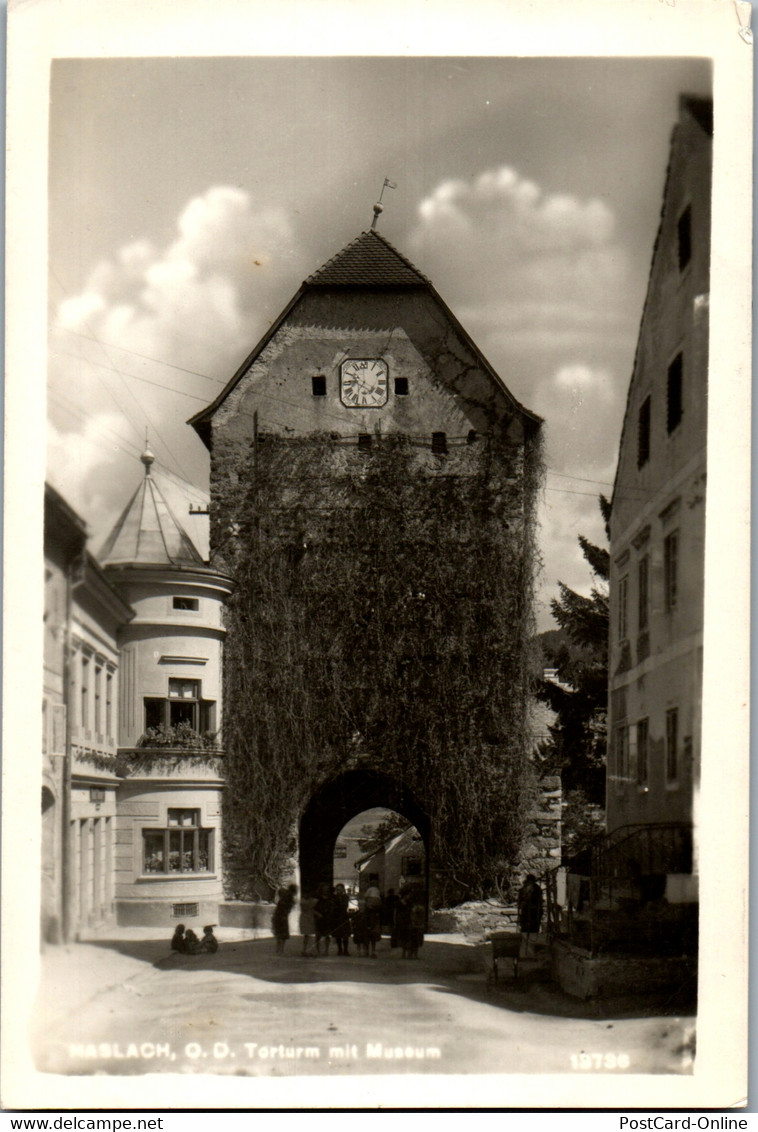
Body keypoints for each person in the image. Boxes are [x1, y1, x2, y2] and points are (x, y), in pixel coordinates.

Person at [517, 874, 543, 957]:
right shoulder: (524, 889)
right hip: (527, 913)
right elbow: (520, 902)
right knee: (526, 931)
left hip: (533, 913)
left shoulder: (537, 889)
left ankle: (529, 952)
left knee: (532, 931)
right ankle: (525, 952)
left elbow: (539, 902)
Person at [272, 884, 298, 955]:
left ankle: (278, 949)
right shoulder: (289, 899)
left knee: (279, 933)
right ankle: (281, 949)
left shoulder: (284, 899)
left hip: (279, 916)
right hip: (282, 917)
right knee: (282, 934)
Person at [331, 883, 351, 955]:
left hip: (344, 916)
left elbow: (344, 905)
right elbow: (334, 906)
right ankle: (340, 949)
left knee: (345, 935)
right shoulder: (334, 897)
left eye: (340, 889)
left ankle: (346, 950)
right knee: (338, 934)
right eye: (337, 889)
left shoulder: (345, 897)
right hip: (336, 917)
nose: (339, 891)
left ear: (343, 889)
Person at [315, 883, 334, 956]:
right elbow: (313, 907)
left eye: (327, 887)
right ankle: (318, 950)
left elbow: (332, 906)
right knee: (318, 935)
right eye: (324, 887)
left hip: (327, 917)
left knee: (327, 935)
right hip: (319, 917)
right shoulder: (318, 897)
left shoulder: (330, 897)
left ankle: (326, 950)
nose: (325, 889)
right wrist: (317, 914)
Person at [364, 882, 382, 957]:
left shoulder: (369, 890)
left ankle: (367, 951)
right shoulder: (377, 890)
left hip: (369, 922)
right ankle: (373, 951)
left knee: (368, 936)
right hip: (374, 922)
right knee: (373, 938)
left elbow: (365, 896)